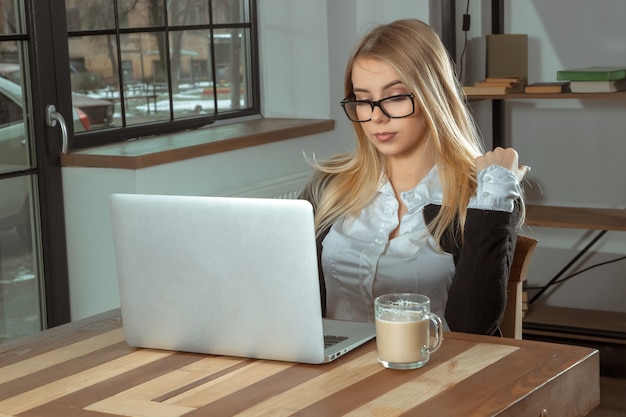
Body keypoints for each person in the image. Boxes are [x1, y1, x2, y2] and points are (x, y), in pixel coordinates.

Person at [299, 19, 529, 336]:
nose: (376, 116)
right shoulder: (330, 186)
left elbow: (474, 326)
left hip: (437, 373)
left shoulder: (483, 196)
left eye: (394, 97)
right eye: (363, 99)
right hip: (335, 373)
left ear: (433, 96)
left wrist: (496, 192)